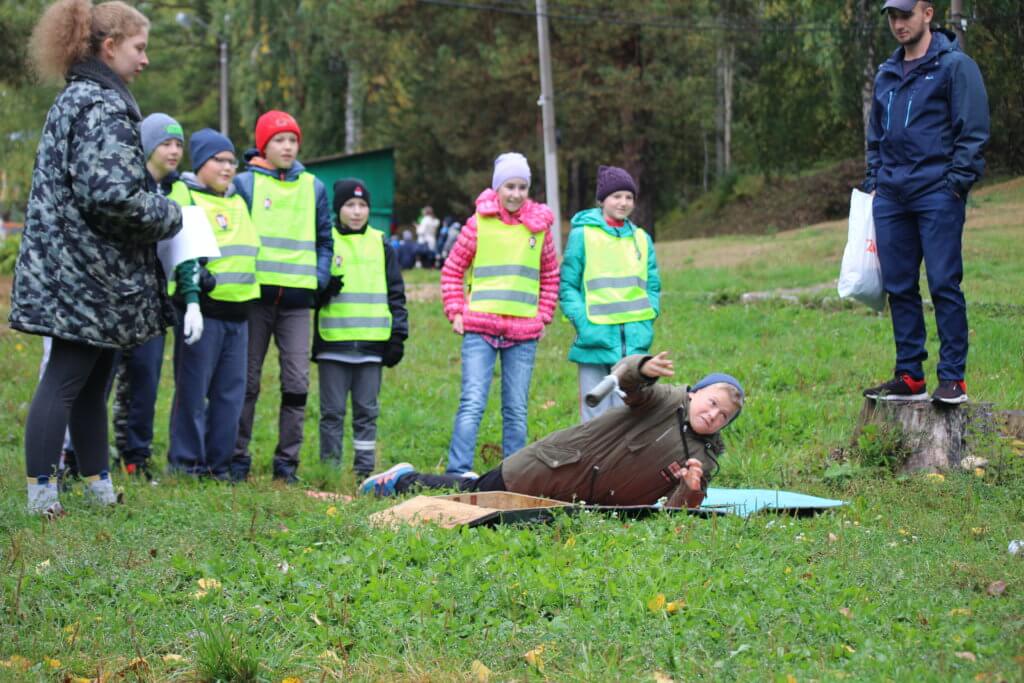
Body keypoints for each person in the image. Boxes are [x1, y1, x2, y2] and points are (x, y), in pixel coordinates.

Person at [11, 0, 182, 516]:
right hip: (84, 274)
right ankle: (42, 497)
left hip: (88, 272)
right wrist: (169, 213)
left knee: (92, 383)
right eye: (139, 47)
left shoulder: (80, 99)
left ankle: (98, 487)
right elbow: (111, 198)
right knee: (66, 379)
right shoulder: (101, 105)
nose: (145, 60)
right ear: (109, 48)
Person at [360, 353, 744, 510]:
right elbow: (629, 382)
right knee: (477, 496)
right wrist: (642, 369)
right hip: (559, 464)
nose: (713, 415)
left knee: (494, 507)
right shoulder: (665, 400)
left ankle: (438, 480)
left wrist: (690, 489)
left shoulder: (704, 458)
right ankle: (402, 481)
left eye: (723, 415)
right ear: (694, 392)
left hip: (585, 503)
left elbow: (677, 514)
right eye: (711, 403)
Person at [862, 0, 989, 405]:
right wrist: (875, 182)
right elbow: (874, 136)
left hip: (937, 193)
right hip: (891, 196)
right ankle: (909, 375)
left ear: (928, 13)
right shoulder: (886, 73)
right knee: (899, 287)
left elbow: (973, 131)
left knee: (943, 284)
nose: (899, 24)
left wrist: (955, 185)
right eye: (893, 17)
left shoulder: (955, 67)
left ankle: (953, 378)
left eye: (906, 15)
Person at [440, 152, 559, 475]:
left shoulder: (539, 229)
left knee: (516, 409)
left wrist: (544, 316)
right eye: (510, 186)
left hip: (523, 333)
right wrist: (456, 312)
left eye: (522, 186)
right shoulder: (478, 223)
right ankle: (458, 470)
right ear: (497, 188)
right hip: (480, 328)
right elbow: (453, 269)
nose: (516, 194)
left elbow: (550, 276)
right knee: (472, 402)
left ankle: (514, 473)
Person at [231, 110, 334, 482]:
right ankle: (236, 457)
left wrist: (319, 278)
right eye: (279, 140)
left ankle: (286, 463)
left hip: (296, 303)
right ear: (264, 146)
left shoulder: (314, 187)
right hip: (255, 300)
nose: (288, 146)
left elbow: (326, 239)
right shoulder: (244, 185)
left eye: (292, 139)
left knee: (296, 384)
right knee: (247, 381)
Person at [166, 129, 260, 479]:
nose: (227, 167)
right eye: (218, 160)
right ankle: (186, 463)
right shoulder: (186, 194)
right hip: (202, 311)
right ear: (201, 163)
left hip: (239, 312)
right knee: (193, 392)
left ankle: (219, 466)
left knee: (230, 395)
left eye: (231, 161)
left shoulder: (238, 200)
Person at [314, 179, 409, 477]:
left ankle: (364, 472)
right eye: (349, 205)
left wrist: (398, 335)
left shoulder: (382, 244)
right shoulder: (326, 241)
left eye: (362, 205)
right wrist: (323, 290)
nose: (356, 212)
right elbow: (310, 289)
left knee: (367, 412)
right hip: (333, 344)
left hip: (372, 346)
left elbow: (396, 292)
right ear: (337, 209)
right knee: (332, 413)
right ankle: (329, 469)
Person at [109, 113, 186, 479]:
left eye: (178, 144)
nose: (173, 151)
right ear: (147, 146)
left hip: (155, 305)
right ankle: (78, 458)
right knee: (102, 381)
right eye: (165, 143)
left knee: (144, 382)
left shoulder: (176, 190)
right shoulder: (127, 186)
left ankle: (135, 457)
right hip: (115, 301)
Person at [560, 165, 661, 422]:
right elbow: (568, 286)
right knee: (595, 416)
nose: (623, 202)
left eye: (629, 197)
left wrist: (647, 319)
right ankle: (593, 463)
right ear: (602, 199)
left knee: (630, 415)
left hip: (633, 342)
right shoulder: (582, 235)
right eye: (616, 196)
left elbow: (653, 286)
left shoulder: (641, 239)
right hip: (594, 339)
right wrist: (584, 324)